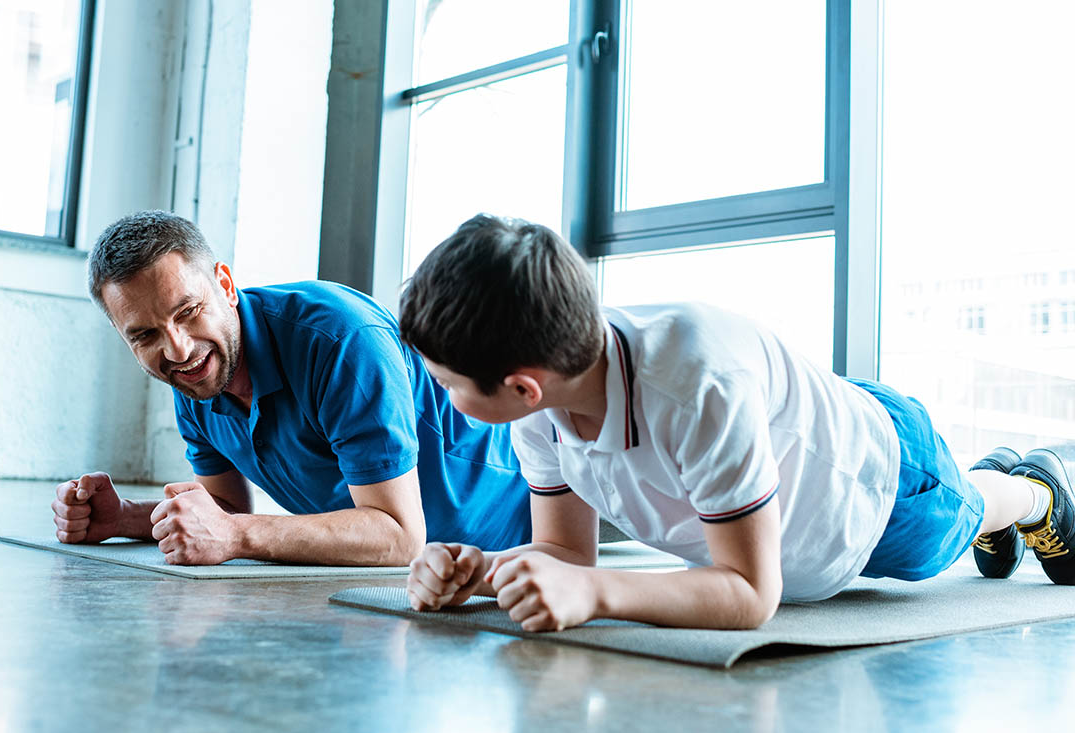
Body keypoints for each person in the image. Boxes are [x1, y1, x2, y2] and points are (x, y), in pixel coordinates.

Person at [398, 214, 1075, 632]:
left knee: (962, 517)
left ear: (520, 385)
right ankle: (1002, 496)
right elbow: (567, 557)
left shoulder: (696, 389)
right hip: (795, 437)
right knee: (961, 517)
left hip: (888, 482)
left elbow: (751, 592)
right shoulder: (541, 412)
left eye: (446, 384)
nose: (444, 397)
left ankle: (1036, 488)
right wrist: (483, 571)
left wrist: (597, 593)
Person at [51, 210, 531, 566]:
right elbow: (227, 509)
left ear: (225, 285)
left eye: (187, 312)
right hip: (427, 578)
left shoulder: (342, 341)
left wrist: (237, 536)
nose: (177, 349)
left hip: (528, 523)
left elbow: (399, 537)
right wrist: (126, 519)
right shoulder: (197, 375)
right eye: (145, 335)